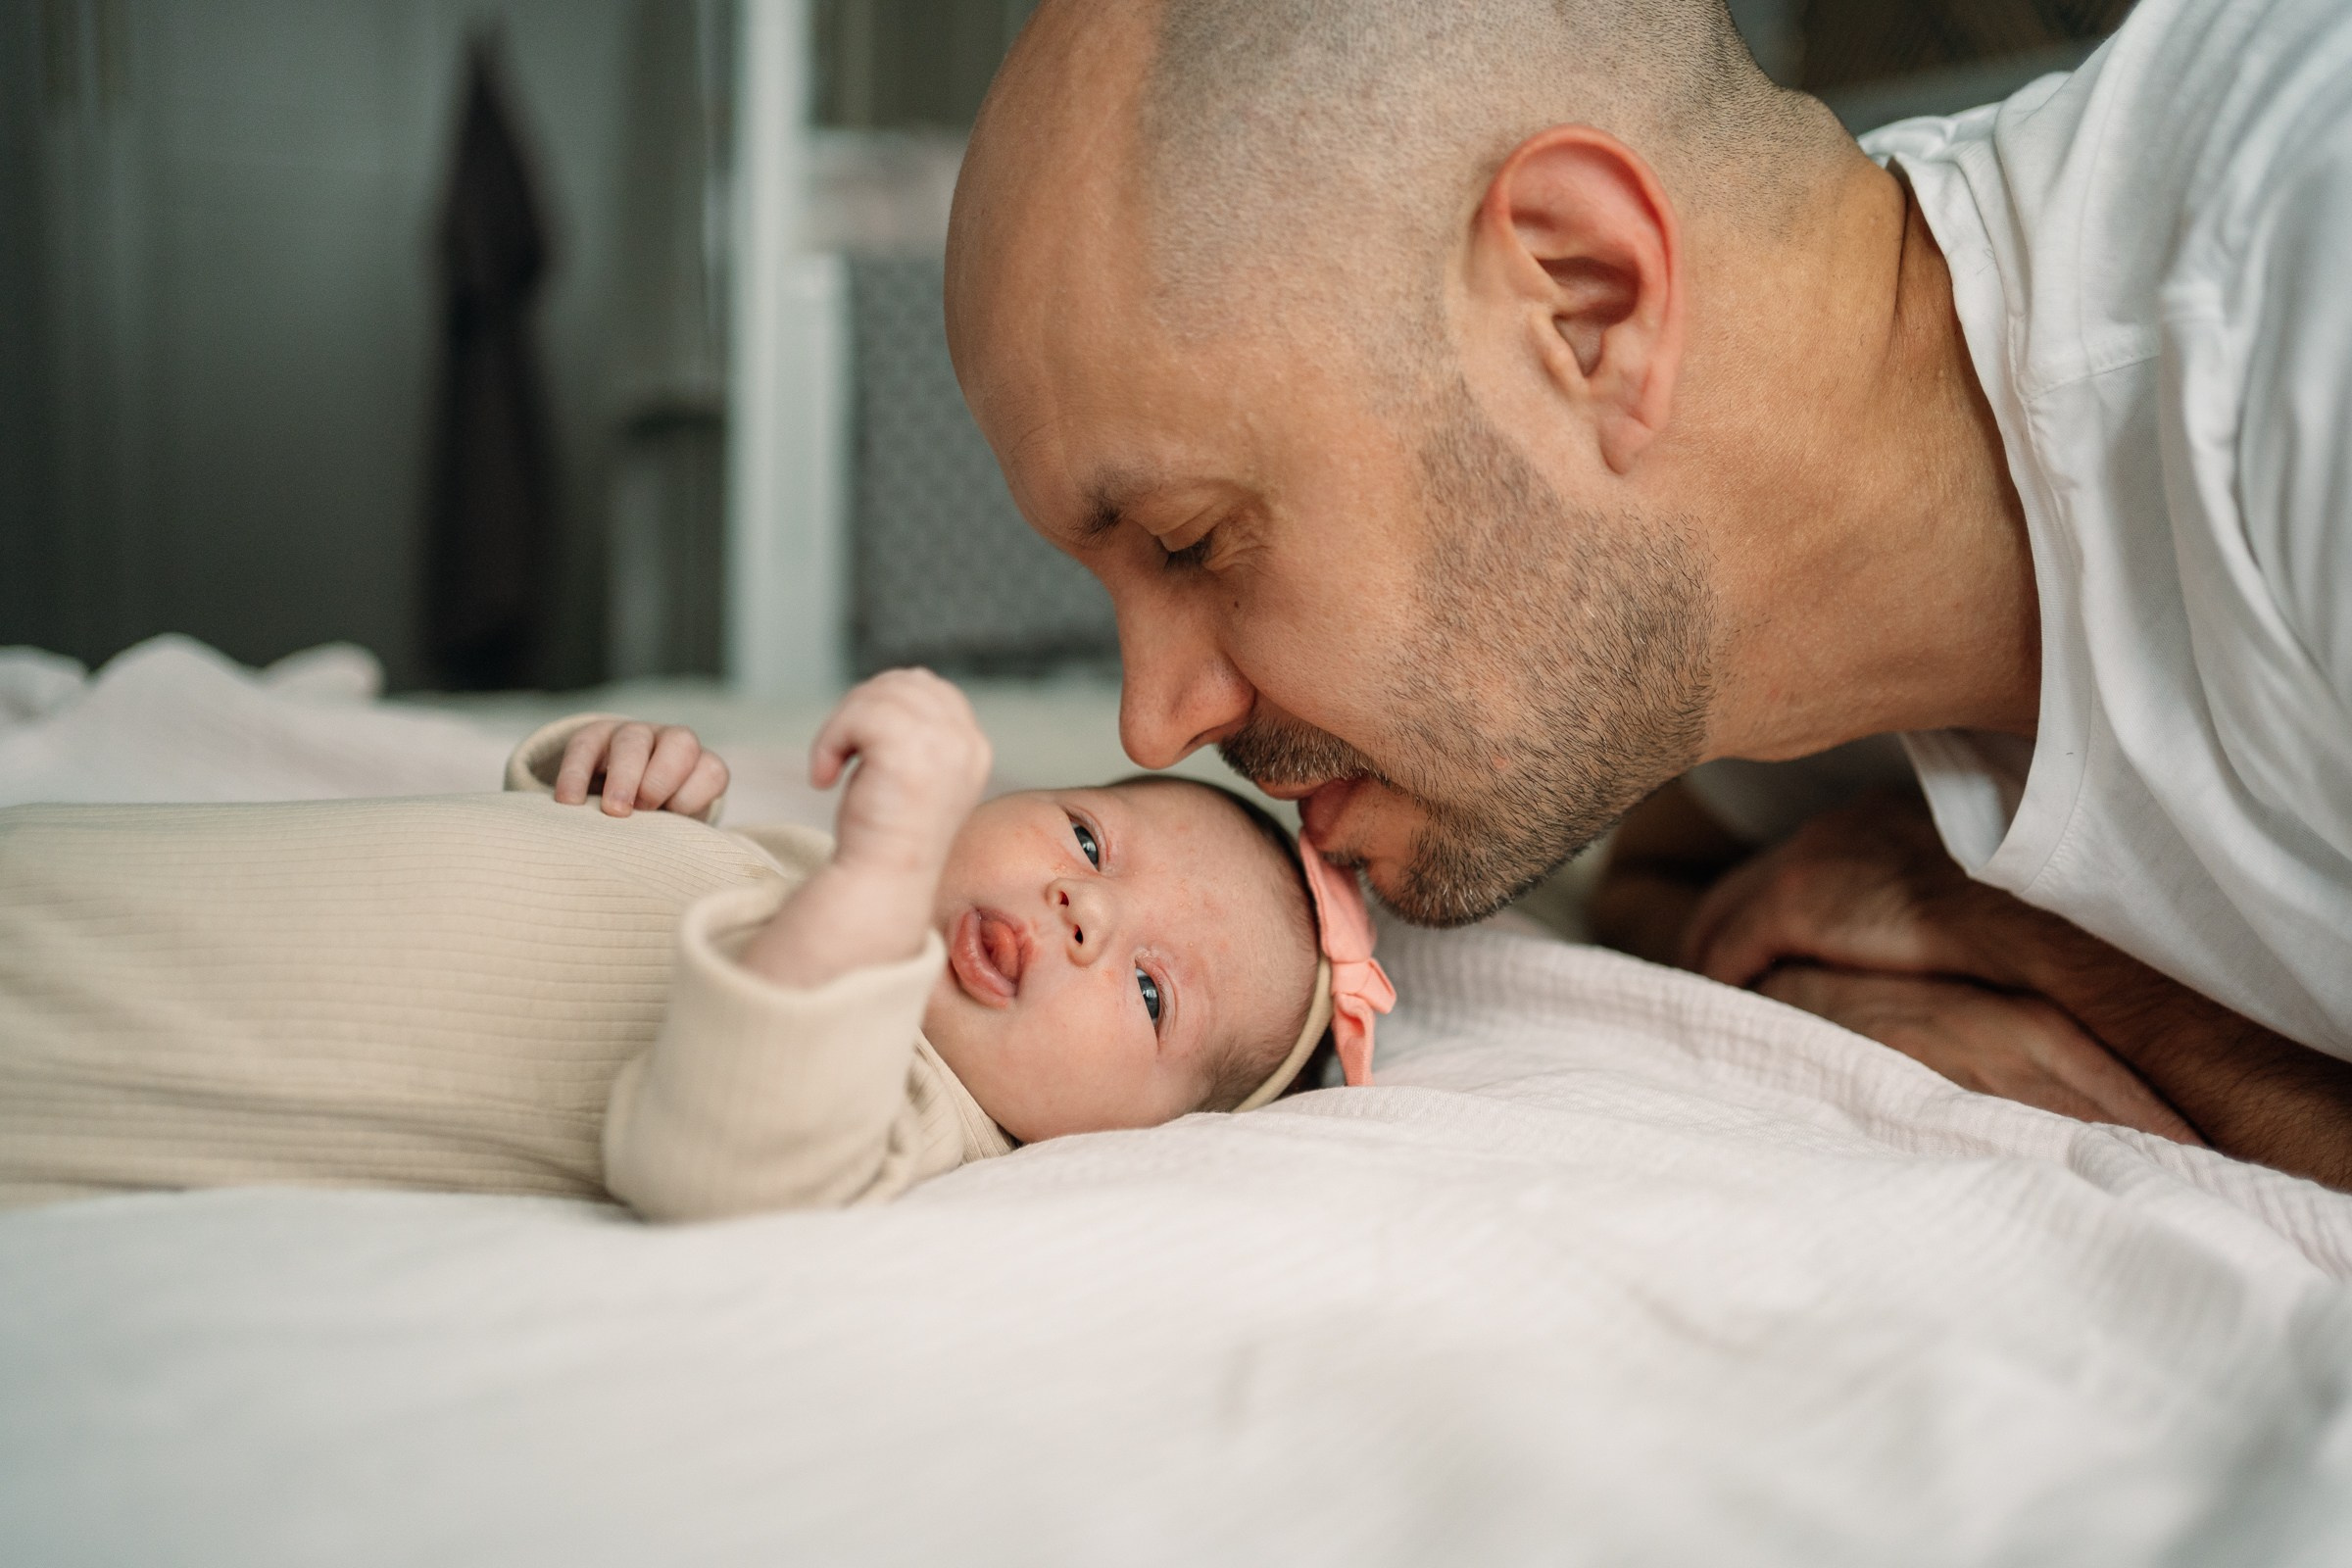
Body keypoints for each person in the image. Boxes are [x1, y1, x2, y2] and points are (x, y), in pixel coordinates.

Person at [942, 0, 2352, 1184]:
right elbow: (1673, 890)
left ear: (1586, 307)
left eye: (1193, 542)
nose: (1150, 722)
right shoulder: (1770, 583)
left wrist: (2071, 969)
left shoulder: (2297, 308)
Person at [0, 671, 1393, 1219]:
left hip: (96, 1051)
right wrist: (609, 790)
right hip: (129, 886)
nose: (1086, 913)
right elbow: (547, 894)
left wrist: (884, 865)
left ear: (1132, 1138)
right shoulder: (805, 884)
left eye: (1150, 989)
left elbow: (715, 1150)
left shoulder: (909, 1116)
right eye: (1090, 843)